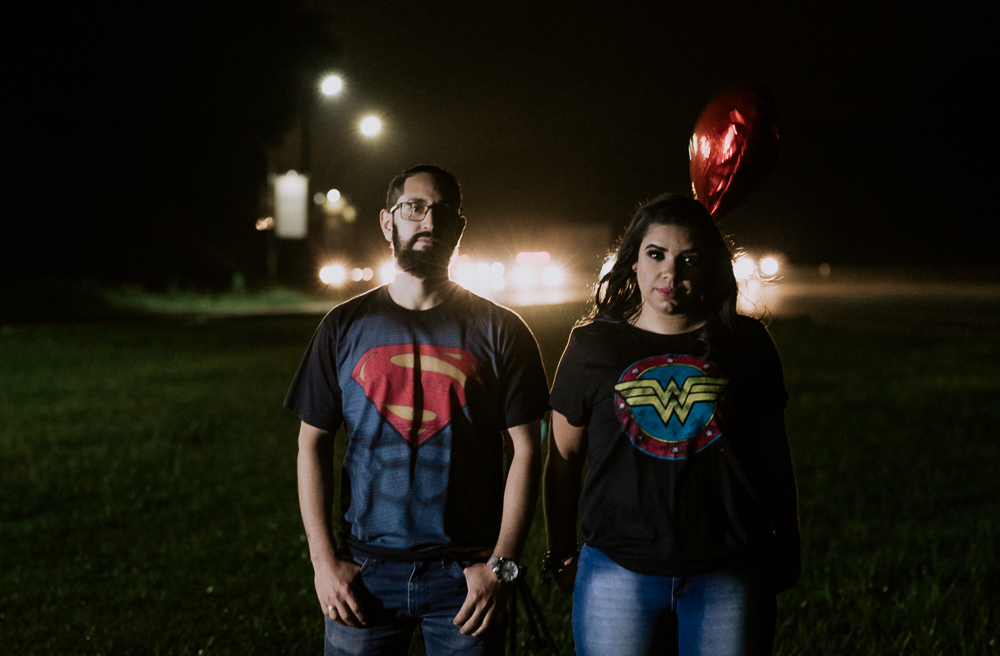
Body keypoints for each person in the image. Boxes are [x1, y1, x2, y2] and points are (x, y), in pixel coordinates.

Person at [286, 164, 549, 656]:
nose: (428, 222)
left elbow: (528, 451)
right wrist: (324, 562)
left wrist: (502, 565)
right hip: (365, 576)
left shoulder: (502, 331)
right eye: (415, 209)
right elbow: (311, 442)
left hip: (467, 581)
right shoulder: (344, 326)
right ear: (388, 222)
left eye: (442, 212)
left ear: (459, 227)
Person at [543, 194, 800, 656]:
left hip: (730, 569)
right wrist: (560, 550)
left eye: (689, 259)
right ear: (633, 263)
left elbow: (773, 455)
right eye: (656, 255)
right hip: (616, 570)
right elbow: (562, 458)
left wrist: (789, 540)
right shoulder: (591, 347)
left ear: (709, 268)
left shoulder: (746, 345)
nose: (670, 273)